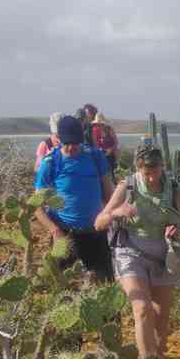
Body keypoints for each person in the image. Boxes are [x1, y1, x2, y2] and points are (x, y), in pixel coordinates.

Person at [94, 144, 180, 359]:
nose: (151, 176)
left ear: (161, 167)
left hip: (163, 254)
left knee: (161, 316)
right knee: (142, 309)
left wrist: (176, 228)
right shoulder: (128, 186)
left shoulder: (173, 186)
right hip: (130, 252)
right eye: (146, 171)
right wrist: (117, 212)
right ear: (138, 168)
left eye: (155, 170)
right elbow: (98, 222)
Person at [34, 115, 115, 282]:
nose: (71, 148)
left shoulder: (95, 156)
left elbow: (109, 194)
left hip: (95, 233)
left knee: (105, 285)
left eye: (75, 143)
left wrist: (110, 216)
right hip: (64, 234)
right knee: (61, 286)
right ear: (58, 140)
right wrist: (54, 231)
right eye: (67, 143)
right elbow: (37, 206)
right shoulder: (50, 163)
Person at [91, 111, 119, 182]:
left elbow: (115, 142)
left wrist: (111, 150)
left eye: (100, 124)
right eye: (98, 124)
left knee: (111, 170)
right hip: (101, 153)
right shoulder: (94, 131)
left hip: (111, 153)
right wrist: (101, 150)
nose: (99, 125)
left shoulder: (109, 129)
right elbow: (95, 144)